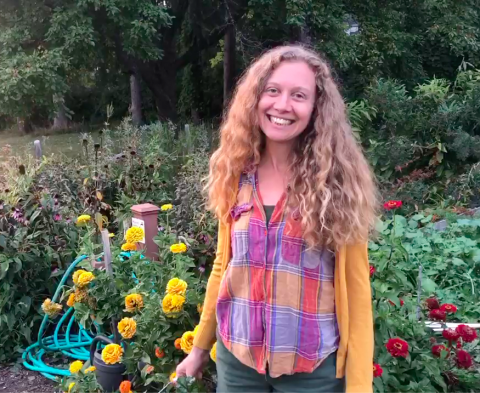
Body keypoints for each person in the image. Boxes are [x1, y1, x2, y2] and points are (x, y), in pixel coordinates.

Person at [176, 45, 378, 393]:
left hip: (312, 371)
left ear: (316, 108)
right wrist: (198, 350)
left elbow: (358, 296)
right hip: (237, 362)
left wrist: (359, 387)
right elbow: (224, 268)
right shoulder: (235, 176)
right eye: (273, 91)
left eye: (299, 95)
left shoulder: (338, 186)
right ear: (255, 98)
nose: (283, 105)